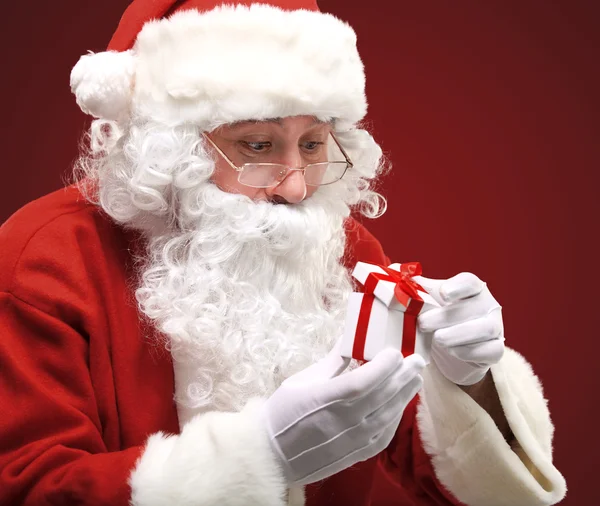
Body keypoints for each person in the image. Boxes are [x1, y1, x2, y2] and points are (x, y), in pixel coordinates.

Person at [0, 1, 567, 505]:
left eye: (315, 143)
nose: (296, 188)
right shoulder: (43, 256)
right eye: (258, 145)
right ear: (169, 148)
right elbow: (26, 484)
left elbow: (437, 470)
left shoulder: (336, 246)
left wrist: (465, 380)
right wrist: (260, 459)